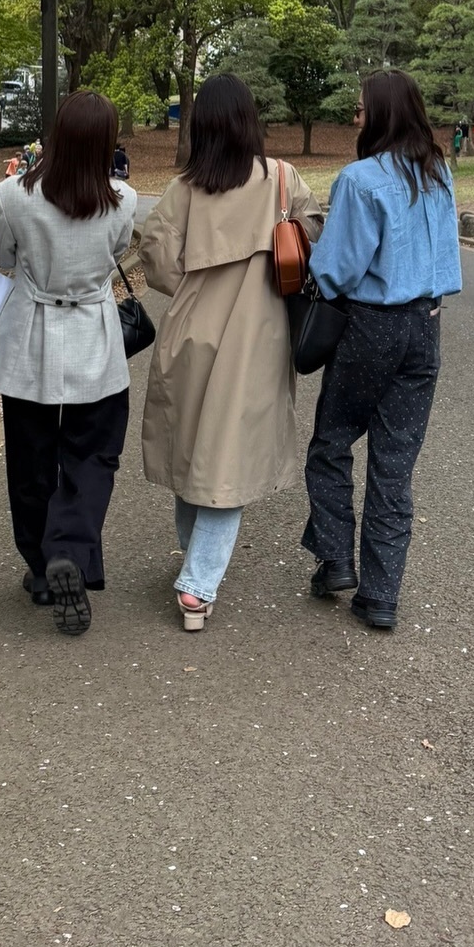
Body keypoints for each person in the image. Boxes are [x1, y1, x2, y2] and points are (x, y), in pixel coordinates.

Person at [138, 74, 324, 632]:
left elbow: (156, 257)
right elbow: (313, 235)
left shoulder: (185, 189)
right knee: (230, 456)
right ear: (249, 121)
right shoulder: (281, 180)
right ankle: (197, 584)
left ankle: (195, 564)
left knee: (191, 448)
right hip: (257, 336)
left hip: (192, 330)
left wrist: (194, 286)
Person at [301, 69, 462, 633]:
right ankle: (381, 595)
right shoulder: (439, 172)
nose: (355, 118)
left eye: (361, 109)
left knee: (331, 441)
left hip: (371, 324)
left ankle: (335, 560)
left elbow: (336, 270)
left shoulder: (360, 179)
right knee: (395, 464)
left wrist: (308, 248)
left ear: (382, 114)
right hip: (426, 323)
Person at [0, 91, 136, 637]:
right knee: (94, 455)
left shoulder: (13, 195)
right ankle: (69, 546)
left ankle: (41, 566)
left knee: (30, 457)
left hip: (31, 334)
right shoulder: (123, 199)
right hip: (94, 333)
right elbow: (117, 252)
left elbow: (1, 255)